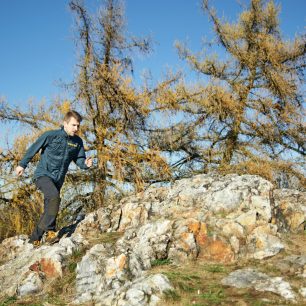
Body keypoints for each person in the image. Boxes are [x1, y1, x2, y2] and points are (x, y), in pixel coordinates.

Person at [15, 110, 92, 246]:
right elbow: (34, 148)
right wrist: (22, 165)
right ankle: (50, 231)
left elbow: (80, 159)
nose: (76, 129)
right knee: (54, 197)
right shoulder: (51, 135)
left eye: (78, 126)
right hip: (43, 175)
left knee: (51, 206)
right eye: (74, 125)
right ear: (65, 124)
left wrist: (85, 164)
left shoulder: (77, 142)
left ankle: (34, 239)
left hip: (58, 179)